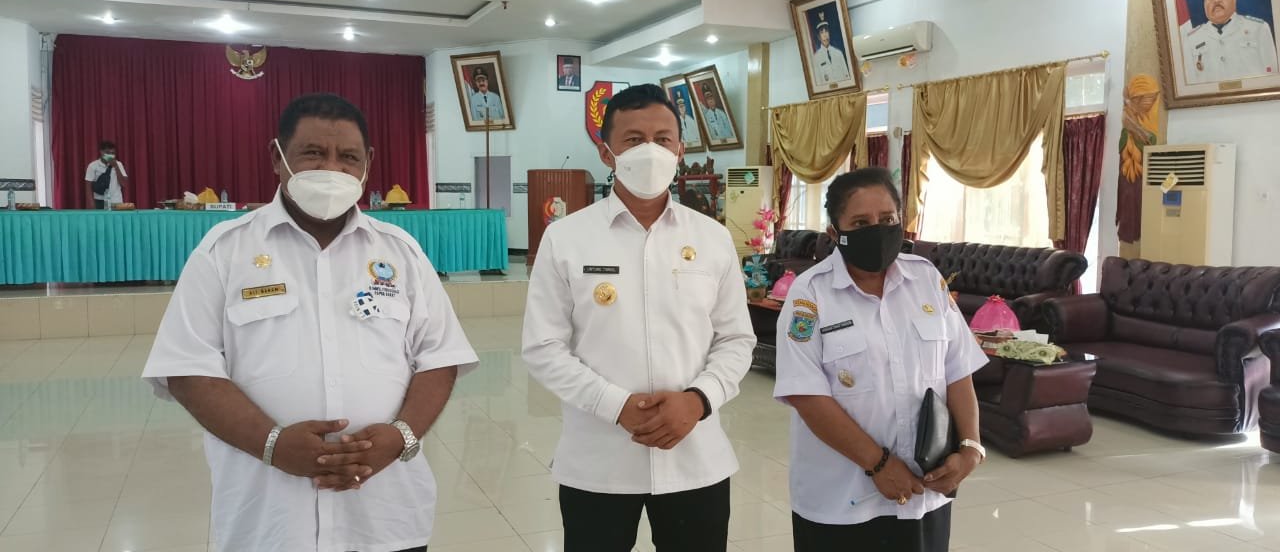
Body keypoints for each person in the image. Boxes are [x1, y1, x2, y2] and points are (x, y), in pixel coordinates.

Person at [141, 93, 478, 552]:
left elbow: (440, 357)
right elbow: (187, 369)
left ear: (368, 163)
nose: (331, 169)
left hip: (385, 517)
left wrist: (400, 437)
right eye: (314, 154)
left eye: (348, 157)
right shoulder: (224, 251)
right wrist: (272, 445)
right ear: (276, 157)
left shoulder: (400, 252)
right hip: (270, 524)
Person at [522, 84, 755, 552]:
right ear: (606, 153)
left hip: (695, 456)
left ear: (680, 150)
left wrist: (698, 400)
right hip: (599, 460)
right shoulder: (566, 239)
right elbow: (543, 347)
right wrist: (615, 405)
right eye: (633, 140)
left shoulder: (711, 238)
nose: (650, 150)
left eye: (663, 139)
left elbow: (736, 339)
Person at [773, 168, 987, 552]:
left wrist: (970, 446)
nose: (877, 229)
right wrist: (878, 464)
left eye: (887, 219)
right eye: (860, 223)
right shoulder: (810, 294)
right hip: (842, 499)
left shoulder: (926, 280)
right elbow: (806, 394)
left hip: (925, 492)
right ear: (834, 233)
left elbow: (957, 370)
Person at [1184, 0, 1278, 84]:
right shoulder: (1192, 39)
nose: (1216, 0)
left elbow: (1273, 78)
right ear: (1204, 3)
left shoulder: (1258, 29)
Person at [84, 140, 127, 209]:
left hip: (116, 200)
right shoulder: (93, 166)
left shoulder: (119, 164)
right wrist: (92, 204)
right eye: (107, 153)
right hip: (99, 200)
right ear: (101, 152)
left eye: (112, 153)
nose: (110, 155)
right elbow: (88, 187)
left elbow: (124, 183)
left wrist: (116, 166)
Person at [812, 18, 853, 85]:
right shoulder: (816, 58)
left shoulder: (838, 53)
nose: (825, 35)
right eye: (822, 32)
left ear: (829, 33)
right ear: (819, 37)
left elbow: (847, 76)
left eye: (826, 31)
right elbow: (818, 82)